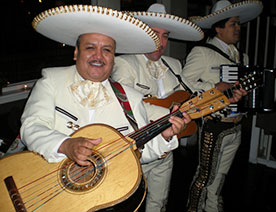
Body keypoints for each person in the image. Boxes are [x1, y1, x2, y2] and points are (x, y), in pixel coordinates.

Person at [20, 5, 191, 211]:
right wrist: (65, 145)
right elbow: (31, 127)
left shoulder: (131, 99)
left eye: (107, 50)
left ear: (113, 57)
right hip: (45, 191)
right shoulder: (51, 81)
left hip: (101, 199)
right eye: (90, 47)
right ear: (76, 52)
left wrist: (164, 137)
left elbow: (139, 153)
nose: (98, 56)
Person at [111, 3, 204, 212]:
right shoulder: (125, 64)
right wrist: (172, 113)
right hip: (138, 152)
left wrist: (215, 95)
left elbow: (187, 98)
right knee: (129, 206)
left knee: (159, 204)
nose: (160, 42)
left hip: (166, 149)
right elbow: (129, 110)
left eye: (165, 36)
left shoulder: (174, 65)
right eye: (154, 34)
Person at [182, 1, 263, 211]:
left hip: (235, 125)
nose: (238, 28)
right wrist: (214, 87)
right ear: (218, 27)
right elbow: (184, 82)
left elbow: (241, 91)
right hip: (214, 124)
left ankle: (212, 208)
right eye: (233, 24)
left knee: (220, 177)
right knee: (205, 176)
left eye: (238, 24)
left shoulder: (241, 56)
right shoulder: (202, 52)